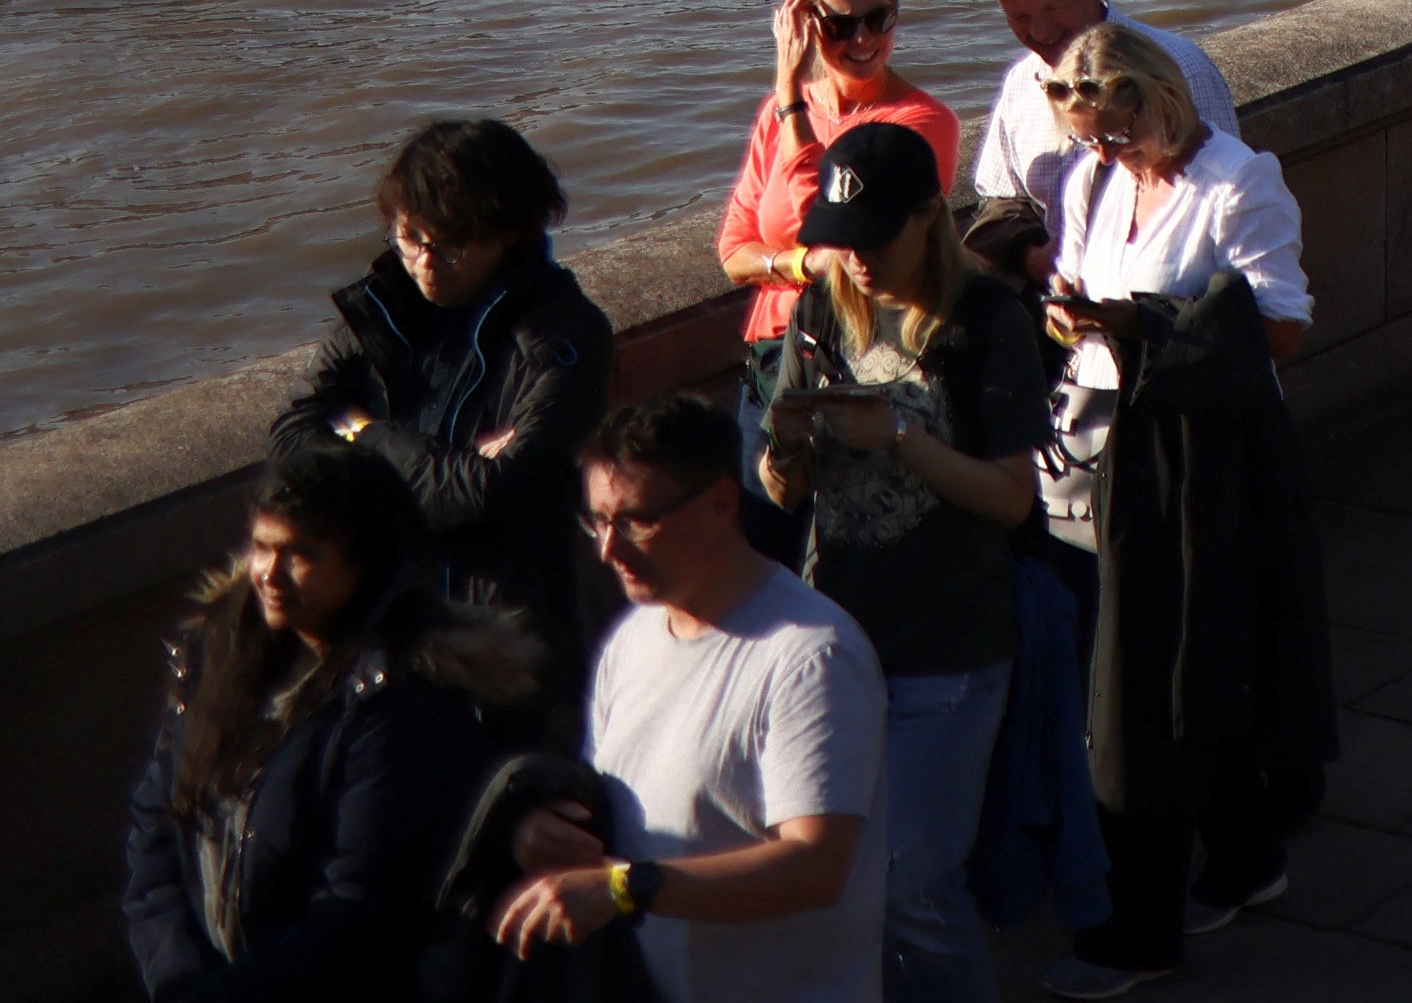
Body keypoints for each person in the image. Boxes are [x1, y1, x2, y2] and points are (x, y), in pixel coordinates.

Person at [1031, 26, 1323, 985]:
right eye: (1088, 137)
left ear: (1159, 99)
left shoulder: (1238, 181)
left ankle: (1137, 927)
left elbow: (1281, 331)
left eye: (1117, 133)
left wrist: (1131, 324)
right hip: (1106, 444)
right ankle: (1245, 855)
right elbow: (1079, 288)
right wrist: (1070, 312)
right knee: (1185, 663)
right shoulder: (1090, 180)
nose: (1103, 153)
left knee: (1147, 683)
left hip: (1207, 462)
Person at [750, 122, 1044, 1003]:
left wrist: (900, 434)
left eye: (876, 240)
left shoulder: (987, 318)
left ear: (928, 218)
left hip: (949, 641)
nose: (858, 262)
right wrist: (788, 446)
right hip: (836, 635)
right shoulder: (819, 307)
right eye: (841, 244)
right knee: (836, 881)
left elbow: (1011, 499)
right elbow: (782, 493)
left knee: (915, 882)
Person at [490, 396, 881, 1000]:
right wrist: (545, 832)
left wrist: (626, 889)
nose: (607, 551)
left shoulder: (811, 657)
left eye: (635, 520)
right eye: (596, 520)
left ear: (721, 503)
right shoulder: (633, 635)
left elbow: (816, 867)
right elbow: (617, 809)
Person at [123, 439, 535, 1003]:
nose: (269, 572)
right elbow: (157, 823)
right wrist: (177, 977)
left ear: (365, 564)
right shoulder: (219, 654)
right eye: (262, 547)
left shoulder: (401, 698)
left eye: (301, 554)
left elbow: (357, 907)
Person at [276, 115, 616, 682]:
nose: (425, 265)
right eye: (410, 239)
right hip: (378, 638)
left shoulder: (564, 337)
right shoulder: (382, 313)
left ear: (508, 232)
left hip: (506, 649)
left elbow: (492, 494)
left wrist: (365, 432)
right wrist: (442, 466)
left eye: (452, 245)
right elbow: (293, 442)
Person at [717, 0, 962, 356]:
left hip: (859, 351)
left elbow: (833, 232)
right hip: (773, 350)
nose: (863, 38)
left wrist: (789, 99)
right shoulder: (777, 114)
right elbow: (734, 253)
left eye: (878, 19)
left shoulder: (919, 124)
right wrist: (802, 265)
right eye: (840, 25)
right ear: (804, 25)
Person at [965, 0, 1242, 226]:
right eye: (1019, 16)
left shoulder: (1183, 70)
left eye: (1052, 8)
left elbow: (1229, 204)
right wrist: (1028, 255)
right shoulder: (1020, 83)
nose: (1039, 32)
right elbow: (1002, 198)